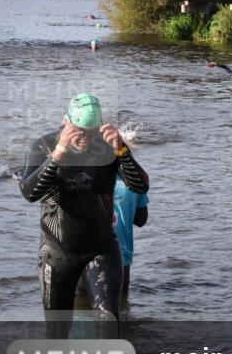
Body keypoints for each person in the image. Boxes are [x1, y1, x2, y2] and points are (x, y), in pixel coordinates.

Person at [19, 93, 149, 336]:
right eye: (79, 131)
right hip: (57, 251)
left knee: (108, 322)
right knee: (57, 331)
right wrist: (58, 153)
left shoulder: (107, 147)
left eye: (91, 132)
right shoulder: (42, 145)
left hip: (101, 248)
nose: (85, 138)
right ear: (66, 122)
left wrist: (122, 151)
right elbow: (29, 193)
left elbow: (140, 186)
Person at [113, 176, 149, 298]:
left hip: (84, 257)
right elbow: (141, 220)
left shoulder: (83, 176)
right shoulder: (134, 180)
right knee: (119, 306)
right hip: (120, 255)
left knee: (82, 306)